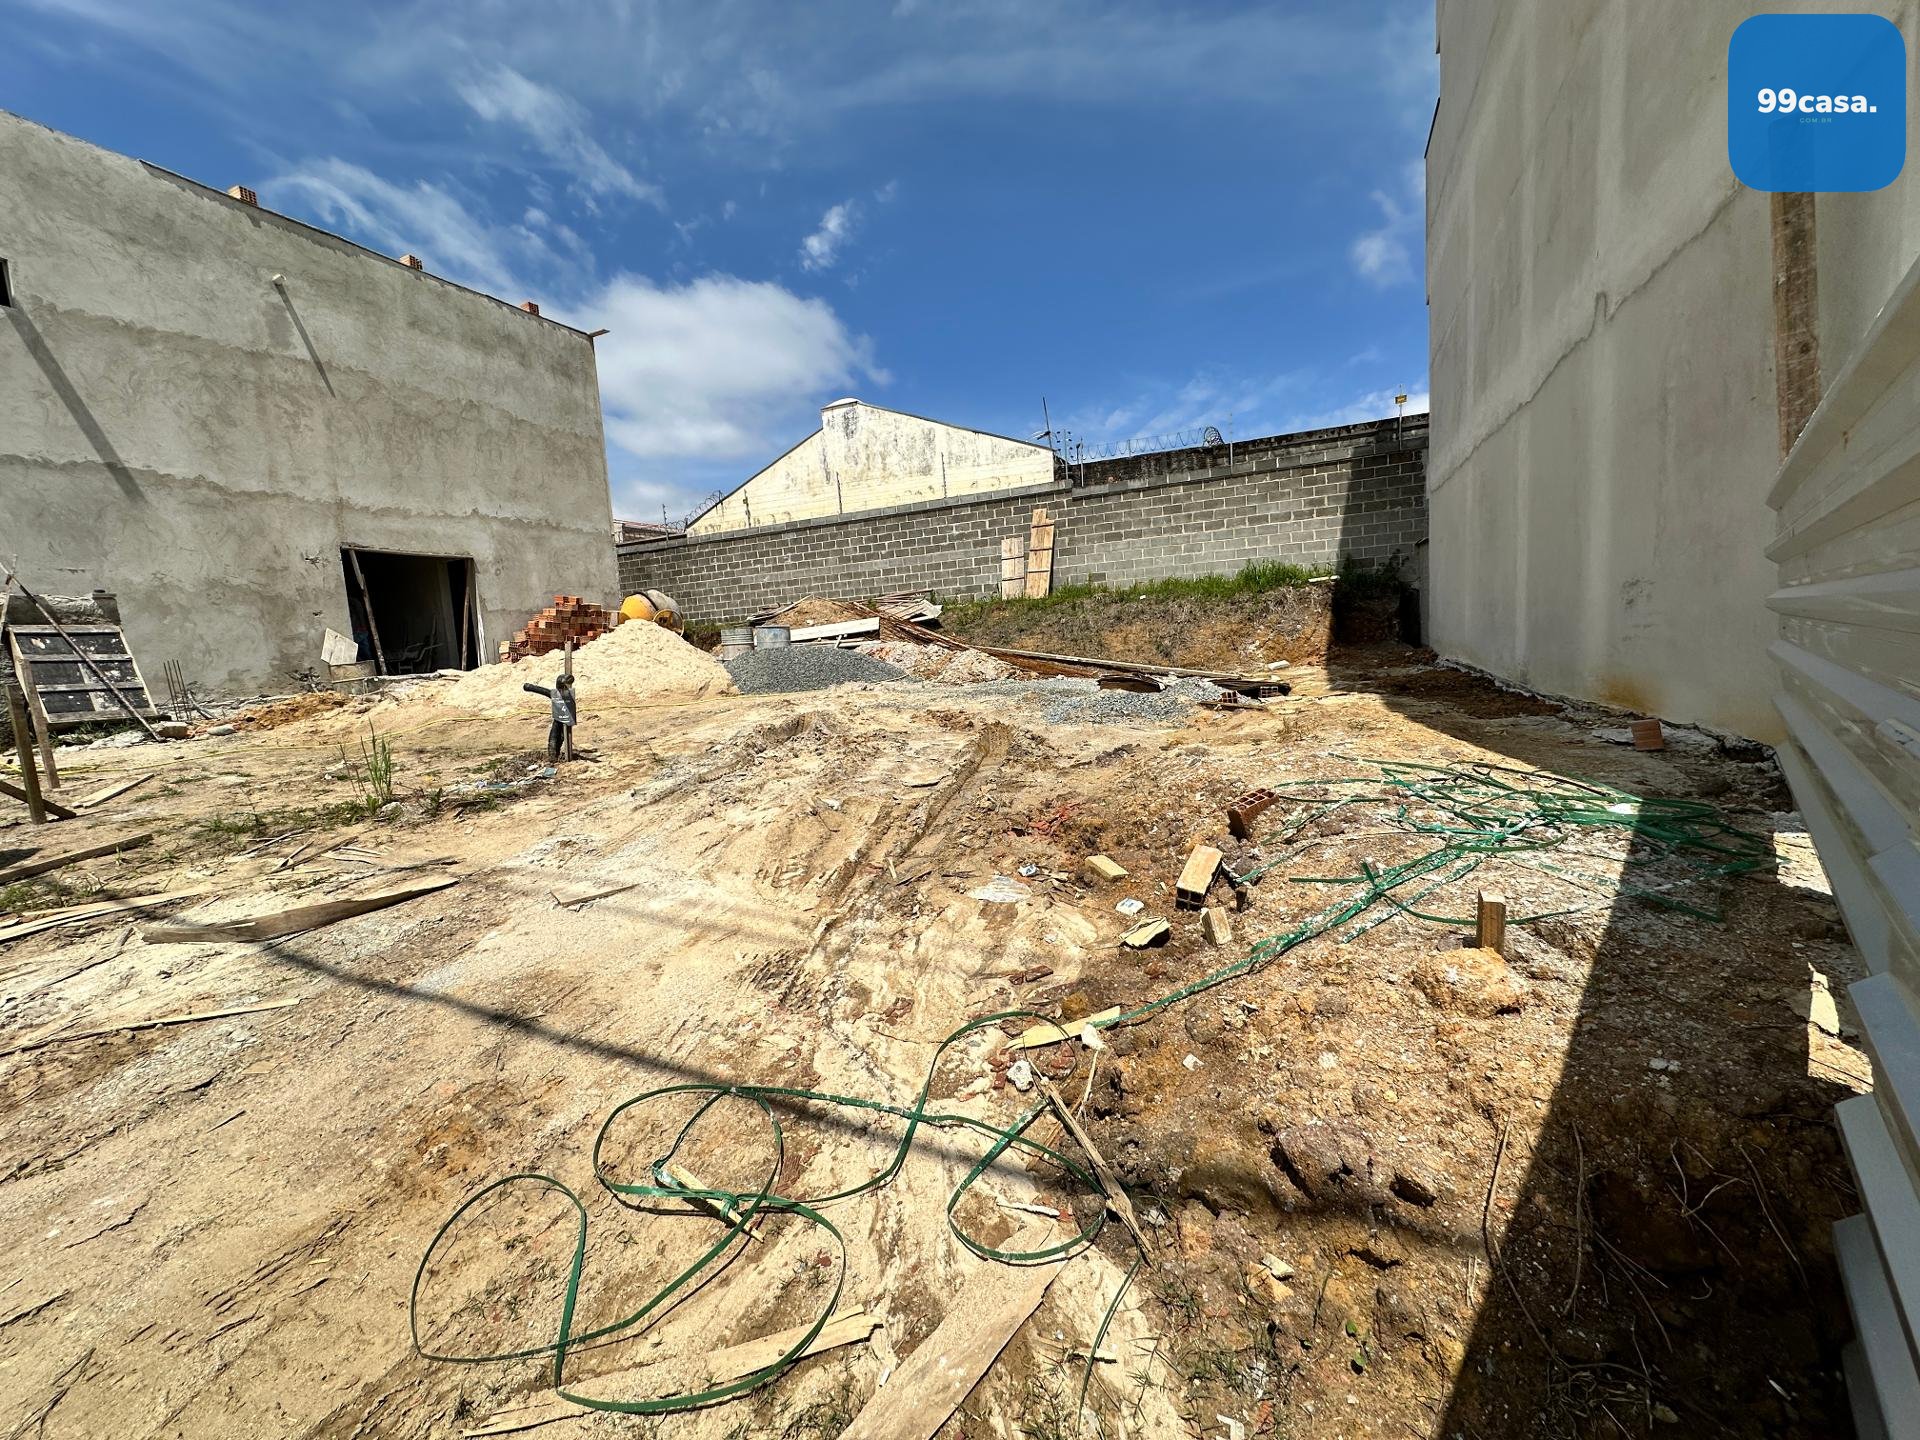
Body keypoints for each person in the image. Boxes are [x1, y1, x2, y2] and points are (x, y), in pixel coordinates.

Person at [521, 671, 577, 761]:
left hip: (564, 716)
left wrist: (529, 687)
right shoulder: (556, 694)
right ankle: (553, 756)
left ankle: (554, 755)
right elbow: (544, 690)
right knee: (556, 734)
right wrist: (529, 687)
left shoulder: (566, 695)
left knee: (561, 735)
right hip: (559, 716)